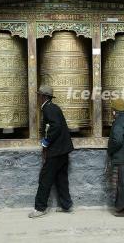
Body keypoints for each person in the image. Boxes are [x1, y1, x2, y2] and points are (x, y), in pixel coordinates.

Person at [28, 85, 74, 218]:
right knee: (61, 177)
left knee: (45, 178)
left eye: (39, 96)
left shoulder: (48, 109)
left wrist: (45, 142)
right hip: (63, 150)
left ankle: (40, 208)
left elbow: (55, 126)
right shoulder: (54, 107)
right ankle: (66, 205)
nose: (38, 98)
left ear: (43, 96)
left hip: (56, 150)